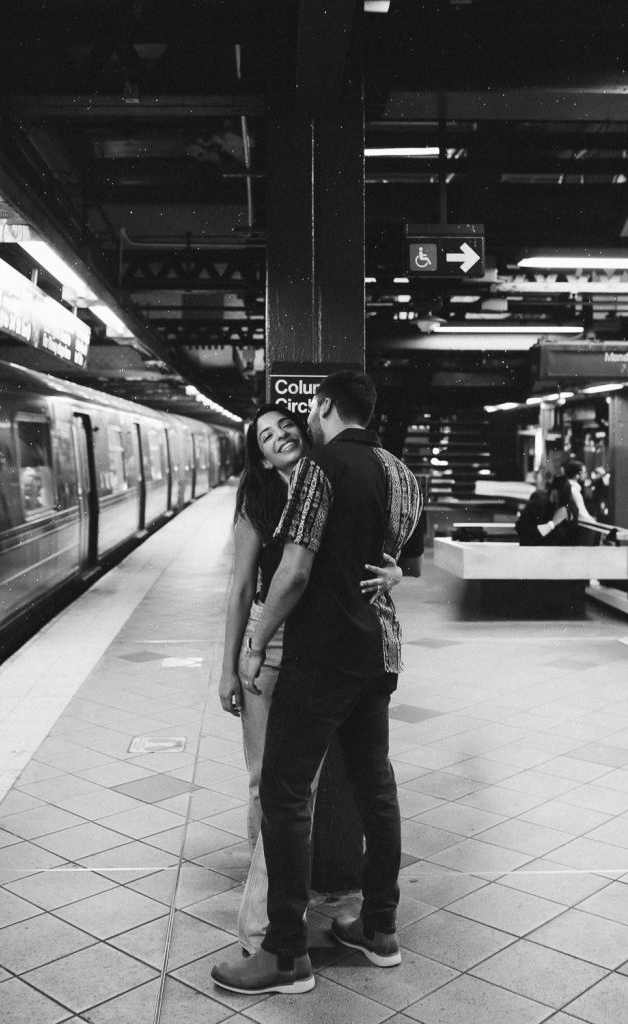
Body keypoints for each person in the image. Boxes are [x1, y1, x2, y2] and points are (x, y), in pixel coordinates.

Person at [212, 371, 422, 995]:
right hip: (379, 652)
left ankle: (283, 955)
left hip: (322, 651)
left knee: (282, 790)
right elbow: (394, 556)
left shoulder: (319, 469)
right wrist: (394, 578)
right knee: (375, 788)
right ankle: (379, 929)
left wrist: (254, 640)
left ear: (323, 407)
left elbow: (296, 571)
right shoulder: (400, 472)